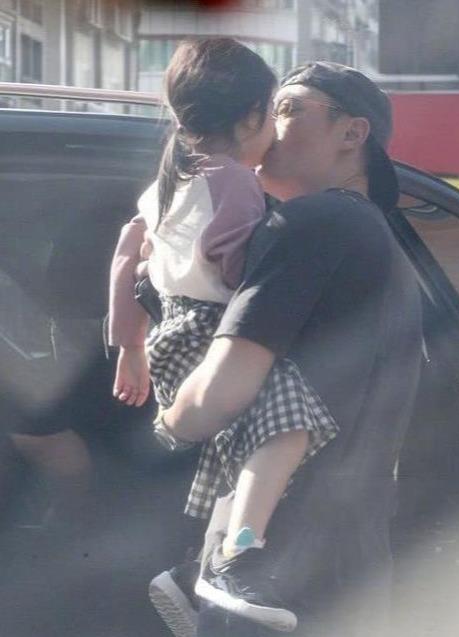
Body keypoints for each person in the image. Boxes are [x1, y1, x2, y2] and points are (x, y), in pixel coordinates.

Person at [151, 62, 424, 637]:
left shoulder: (315, 220)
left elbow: (222, 391)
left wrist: (167, 421)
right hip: (344, 564)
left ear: (351, 133)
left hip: (272, 572)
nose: (268, 127)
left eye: (287, 109)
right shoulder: (380, 242)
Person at [108, 38, 339, 632]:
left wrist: (130, 347)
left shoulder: (167, 181)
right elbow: (238, 268)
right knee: (290, 428)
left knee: (244, 453)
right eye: (274, 113)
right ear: (250, 117)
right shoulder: (233, 181)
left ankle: (194, 573)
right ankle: (235, 561)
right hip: (215, 332)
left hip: (171, 338)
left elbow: (128, 254)